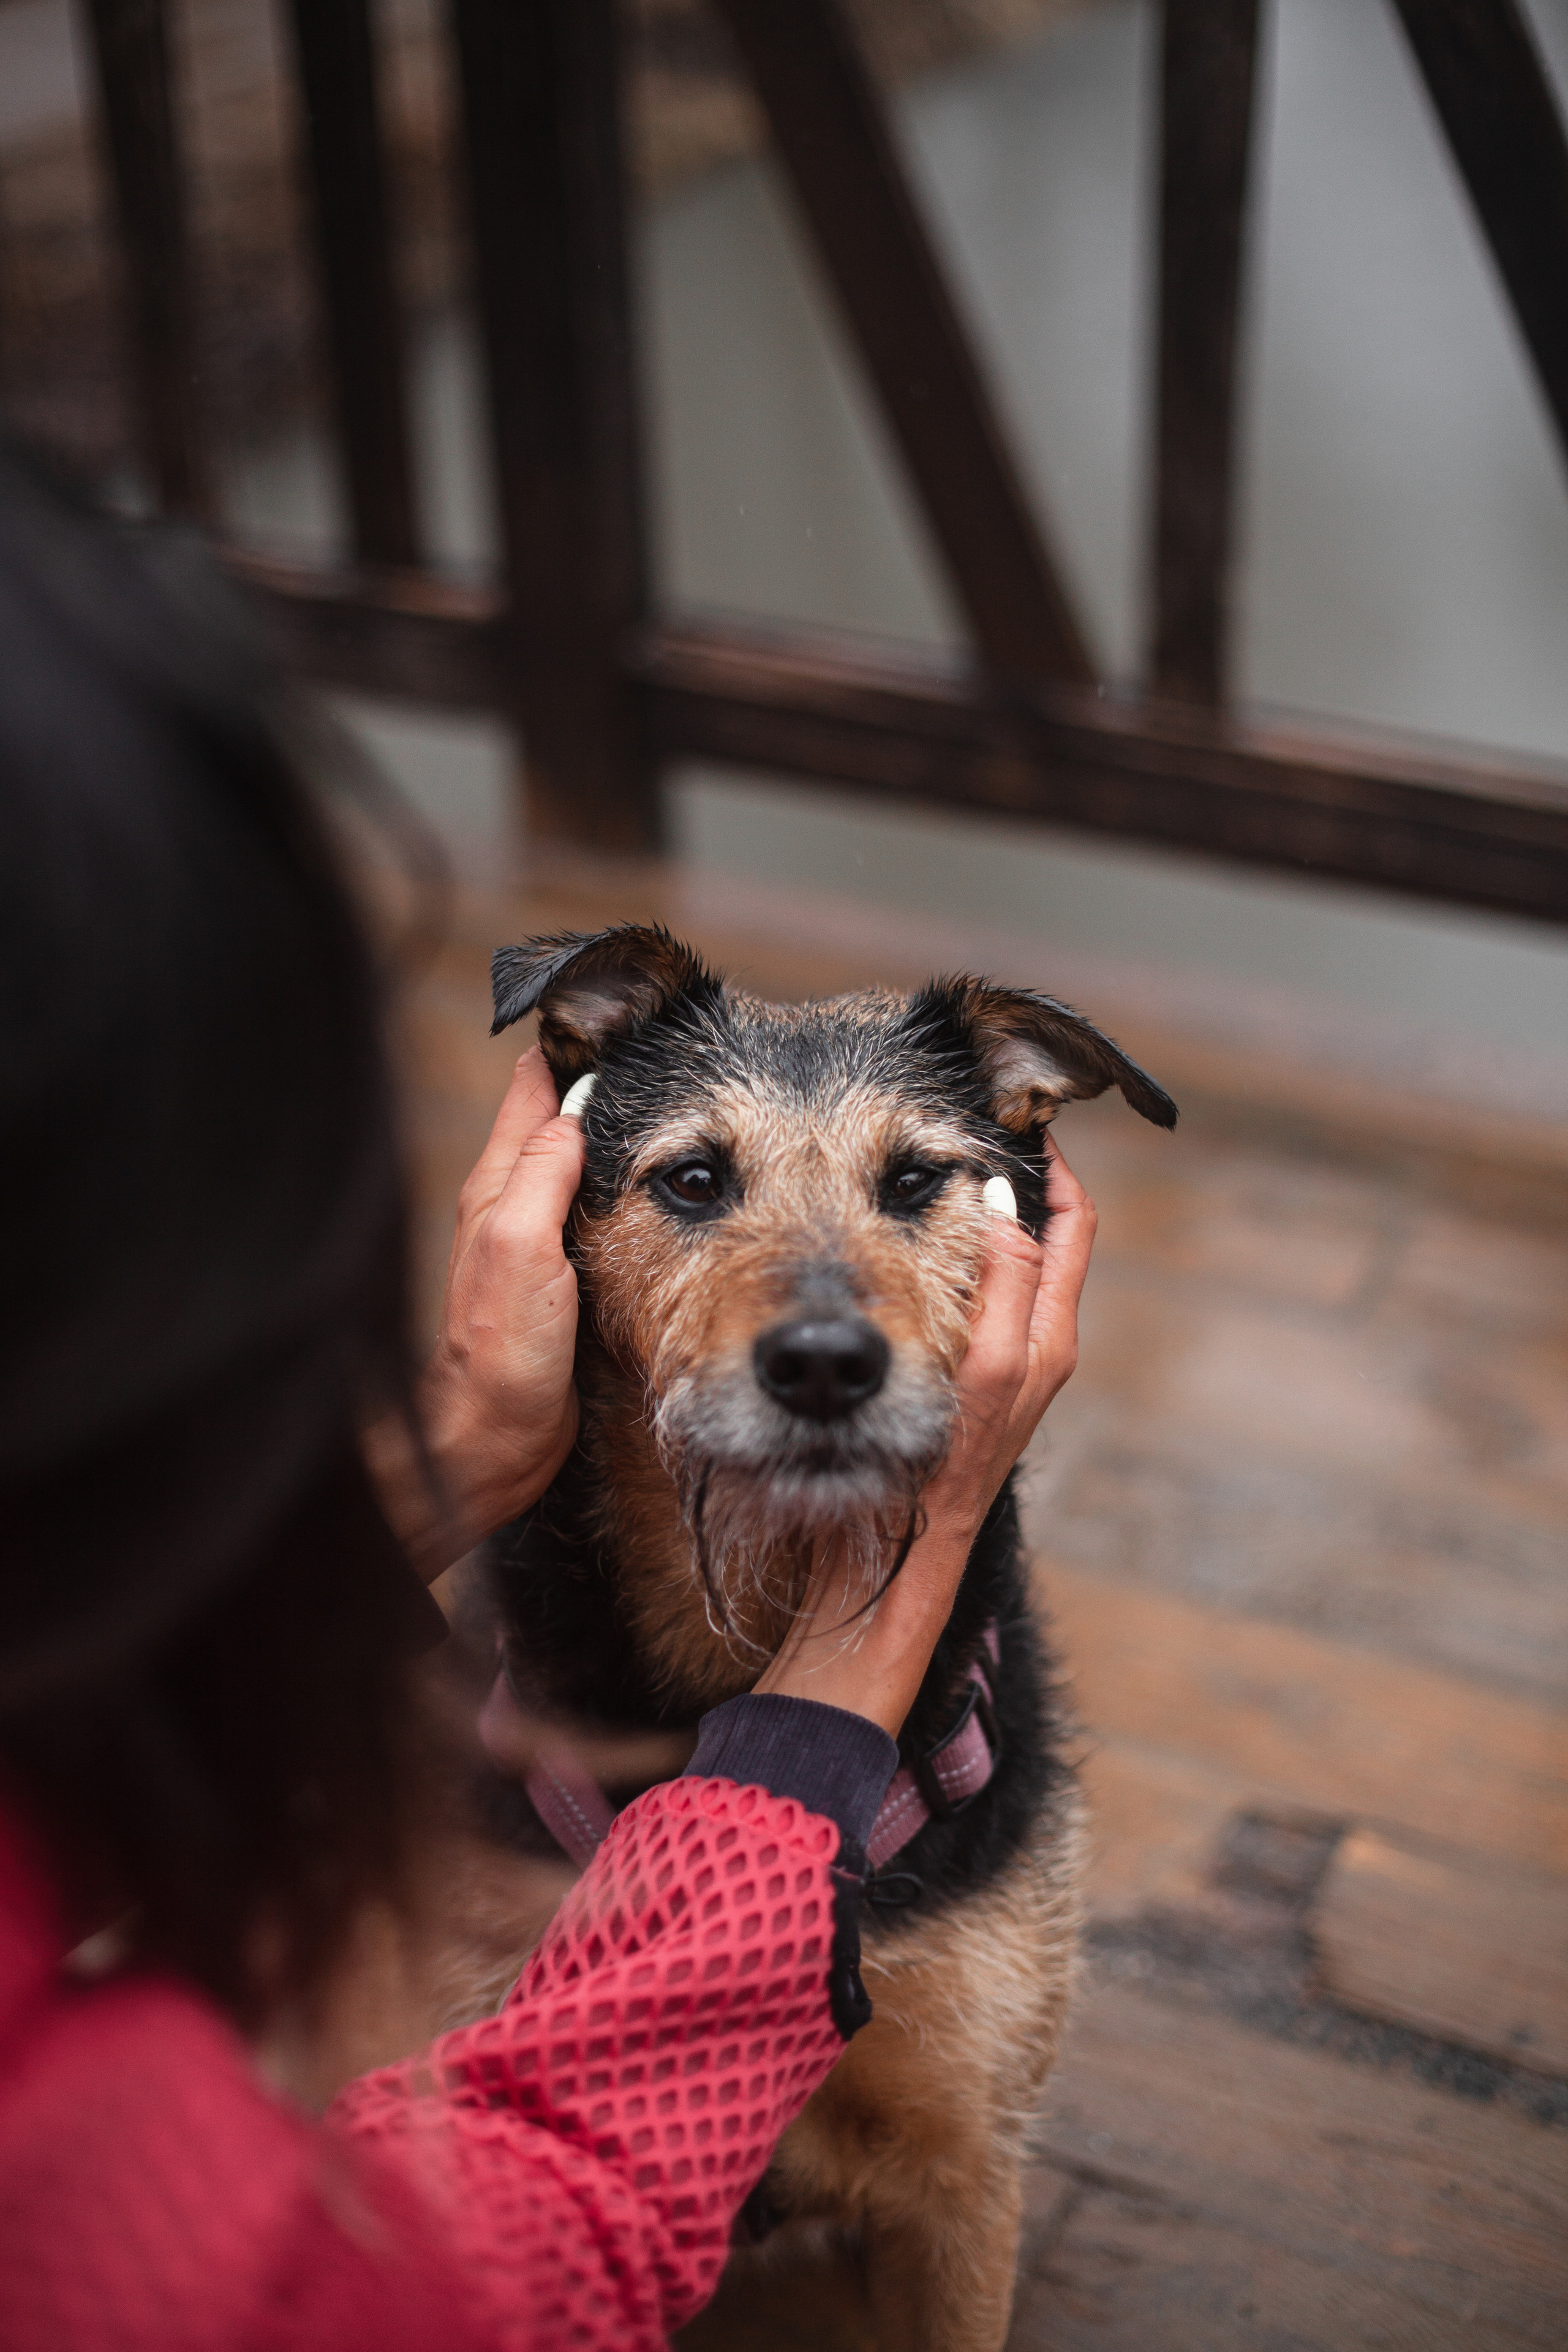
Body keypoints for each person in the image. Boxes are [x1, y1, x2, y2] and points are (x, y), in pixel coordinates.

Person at [0, 446, 1096, 2351]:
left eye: (916, 1181)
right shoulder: (115, 2203)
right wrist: (837, 1702)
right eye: (693, 1183)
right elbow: (431, 2270)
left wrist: (449, 1447)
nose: (814, 1308)